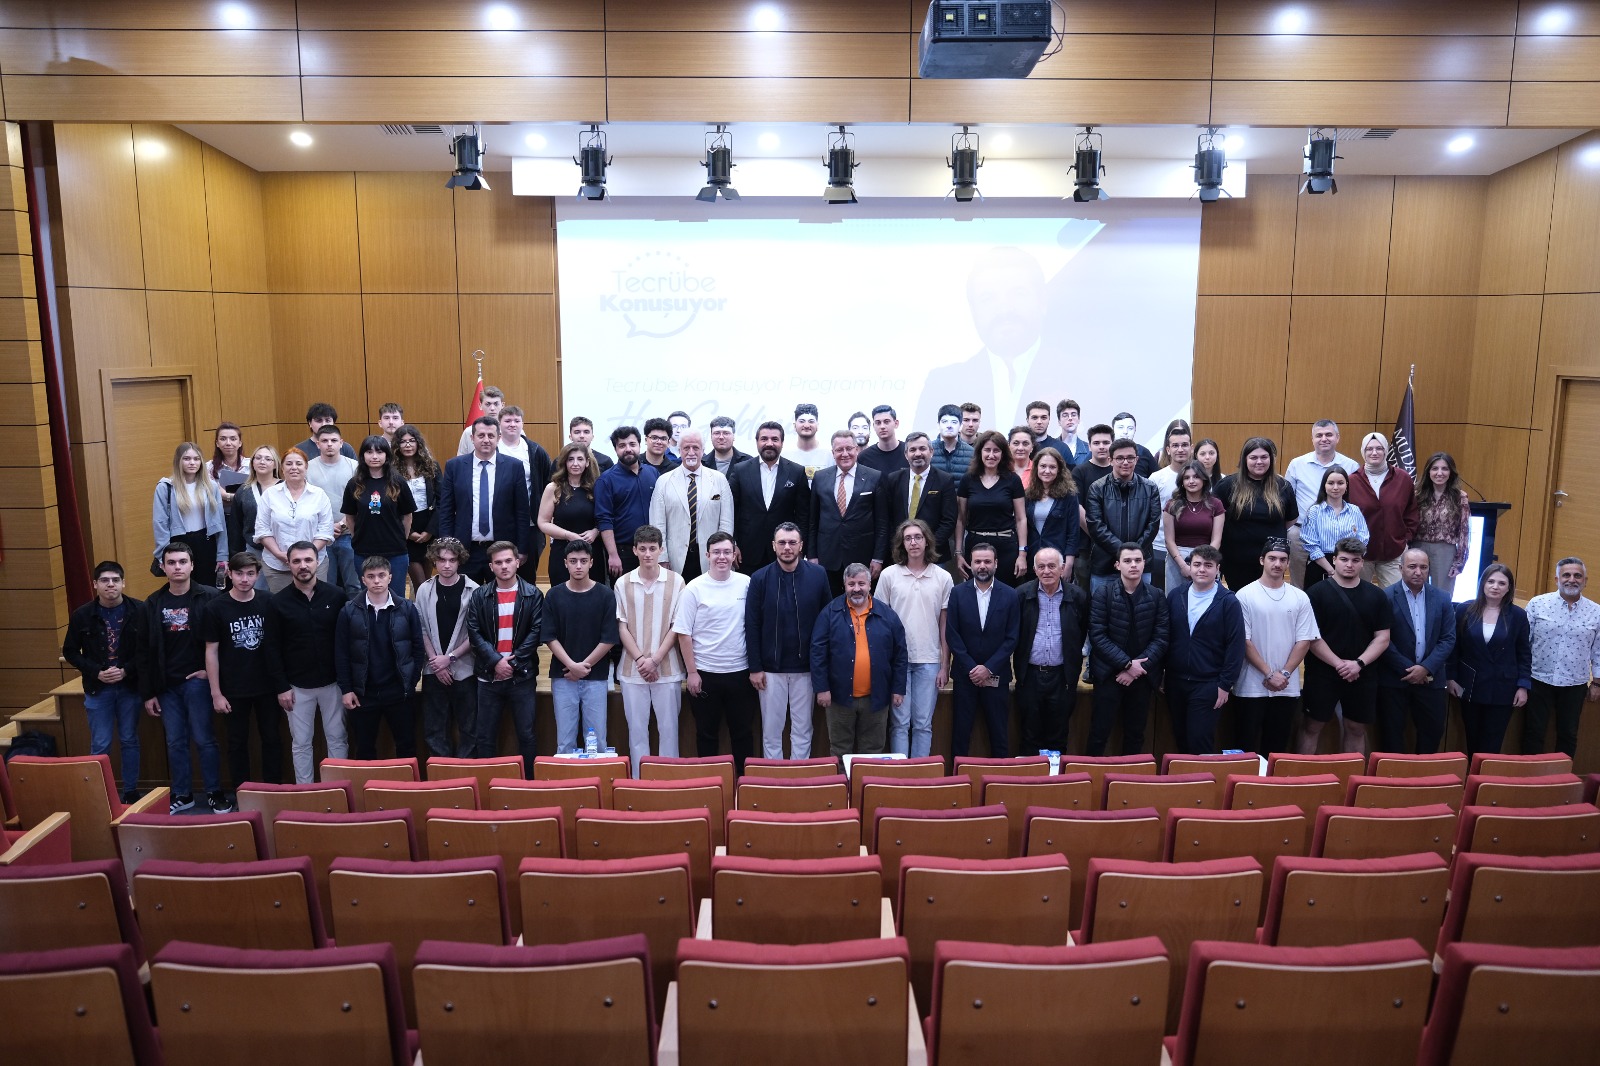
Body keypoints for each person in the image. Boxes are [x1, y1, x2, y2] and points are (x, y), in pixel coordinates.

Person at [141, 541, 226, 813]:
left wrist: (208, 672)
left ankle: (214, 792)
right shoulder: (153, 602)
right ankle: (182, 794)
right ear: (163, 567)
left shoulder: (210, 596)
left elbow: (223, 641)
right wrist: (149, 692)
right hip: (167, 685)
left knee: (204, 739)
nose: (177, 567)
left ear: (192, 565)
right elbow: (145, 650)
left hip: (197, 682)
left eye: (182, 562)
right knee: (175, 741)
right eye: (171, 563)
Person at [63, 560, 148, 802]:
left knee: (129, 739)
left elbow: (147, 649)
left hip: (129, 686)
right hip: (98, 688)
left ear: (123, 583)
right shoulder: (82, 615)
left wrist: (126, 670)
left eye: (115, 580)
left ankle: (130, 791)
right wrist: (96, 672)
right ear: (95, 584)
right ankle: (98, 796)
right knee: (100, 743)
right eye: (104, 580)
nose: (110, 585)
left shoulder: (140, 610)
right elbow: (70, 651)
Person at [673, 532, 758, 772]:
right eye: (717, 552)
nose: (722, 557)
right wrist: (692, 673)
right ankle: (710, 783)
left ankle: (744, 782)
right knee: (706, 734)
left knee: (743, 734)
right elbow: (683, 633)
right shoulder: (694, 588)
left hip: (740, 673)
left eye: (727, 552)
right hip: (705, 674)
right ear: (707, 555)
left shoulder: (746, 583)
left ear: (734, 554)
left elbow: (754, 625)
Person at [265, 541, 348, 784]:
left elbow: (346, 642)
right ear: (289, 565)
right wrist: (281, 686)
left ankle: (338, 790)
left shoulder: (337, 596)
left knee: (338, 739)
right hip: (296, 687)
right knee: (301, 743)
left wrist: (347, 683)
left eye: (308, 560)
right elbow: (272, 648)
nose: (303, 566)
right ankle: (306, 794)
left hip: (333, 684)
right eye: (297, 561)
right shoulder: (277, 603)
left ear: (318, 562)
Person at [746, 523, 832, 760]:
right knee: (771, 732)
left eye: (792, 542)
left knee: (803, 730)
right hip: (770, 671)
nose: (787, 547)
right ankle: (773, 779)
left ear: (801, 545)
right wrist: (755, 667)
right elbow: (752, 625)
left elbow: (827, 623)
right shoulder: (759, 578)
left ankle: (799, 777)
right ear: (774, 546)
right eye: (782, 543)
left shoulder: (818, 575)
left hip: (806, 670)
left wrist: (822, 668)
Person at [1303, 537, 1393, 755]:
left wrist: (1358, 664)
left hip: (1362, 672)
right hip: (1323, 671)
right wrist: (1339, 665)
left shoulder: (1377, 596)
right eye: (1344, 559)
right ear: (1334, 560)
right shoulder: (1315, 593)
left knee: (1356, 728)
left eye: (1355, 560)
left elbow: (1382, 637)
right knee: (1312, 726)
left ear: (1362, 563)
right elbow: (1312, 638)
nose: (1349, 565)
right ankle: (1302, 774)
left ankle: (1351, 775)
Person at [810, 562, 908, 758]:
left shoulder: (887, 615)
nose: (856, 589)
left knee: (872, 752)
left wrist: (898, 688)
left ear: (870, 585)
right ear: (844, 585)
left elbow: (900, 655)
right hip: (839, 698)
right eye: (851, 584)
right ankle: (842, 780)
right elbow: (817, 653)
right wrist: (821, 688)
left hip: (876, 698)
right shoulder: (829, 613)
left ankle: (867, 780)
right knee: (839, 751)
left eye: (861, 583)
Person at [204, 552, 282, 792]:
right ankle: (243, 792)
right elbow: (211, 651)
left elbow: (278, 645)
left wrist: (282, 685)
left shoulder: (269, 601)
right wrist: (216, 693)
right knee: (237, 743)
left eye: (250, 574)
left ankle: (273, 791)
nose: (245, 579)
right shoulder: (215, 607)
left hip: (268, 687)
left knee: (272, 739)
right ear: (229, 574)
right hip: (233, 688)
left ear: (258, 575)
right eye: (239, 573)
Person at [1233, 539, 1319, 757]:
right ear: (1262, 560)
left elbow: (1304, 640)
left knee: (1276, 749)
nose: (1277, 564)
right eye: (1272, 558)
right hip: (1251, 686)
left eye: (1283, 560)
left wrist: (1284, 674)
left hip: (1286, 687)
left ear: (1288, 563)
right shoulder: (1244, 595)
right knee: (1244, 748)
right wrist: (1269, 673)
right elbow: (1244, 640)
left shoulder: (1300, 597)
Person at [876, 519, 952, 758]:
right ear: (902, 544)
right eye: (908, 538)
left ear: (927, 541)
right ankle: (900, 775)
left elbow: (945, 625)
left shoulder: (943, 577)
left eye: (918, 537)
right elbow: (879, 623)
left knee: (923, 724)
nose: (913, 542)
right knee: (899, 723)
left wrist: (945, 665)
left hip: (929, 661)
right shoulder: (889, 575)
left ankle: (920, 774)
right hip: (897, 661)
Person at [335, 556, 422, 760]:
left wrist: (410, 682)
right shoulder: (348, 611)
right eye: (371, 576)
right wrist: (347, 689)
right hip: (363, 692)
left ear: (390, 578)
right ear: (363, 579)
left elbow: (418, 648)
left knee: (406, 747)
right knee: (364, 749)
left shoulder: (407, 608)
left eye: (381, 575)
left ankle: (408, 783)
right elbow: (341, 653)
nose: (376, 581)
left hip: (398, 690)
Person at [465, 540, 543, 767]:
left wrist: (512, 664)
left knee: (527, 735)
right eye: (498, 563)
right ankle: (488, 783)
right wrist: (496, 662)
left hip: (522, 676)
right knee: (485, 737)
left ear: (518, 562)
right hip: (488, 677)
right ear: (491, 567)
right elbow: (474, 632)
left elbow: (537, 632)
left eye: (508, 561)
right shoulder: (479, 595)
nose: (504, 566)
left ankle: (528, 782)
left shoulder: (533, 594)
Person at [615, 525, 686, 773]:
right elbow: (622, 627)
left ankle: (669, 783)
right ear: (634, 550)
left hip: (668, 669)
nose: (647, 554)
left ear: (661, 550)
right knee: (636, 732)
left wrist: (654, 660)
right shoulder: (622, 583)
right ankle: (639, 782)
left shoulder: (677, 582)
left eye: (652, 549)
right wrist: (641, 660)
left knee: (669, 730)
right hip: (632, 670)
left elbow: (677, 627)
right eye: (643, 549)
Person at [1086, 543, 1168, 756]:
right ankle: (1090, 775)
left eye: (1138, 560)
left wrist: (1136, 669)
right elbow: (1097, 635)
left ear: (1144, 564)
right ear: (1117, 565)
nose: (1133, 565)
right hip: (1109, 674)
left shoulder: (1157, 595)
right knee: (1098, 734)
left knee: (1135, 735)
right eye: (1128, 561)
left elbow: (1161, 638)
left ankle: (1129, 777)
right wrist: (1127, 664)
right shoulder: (1103, 594)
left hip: (1142, 676)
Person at [1163, 545, 1244, 754]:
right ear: (1189, 567)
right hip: (1175, 681)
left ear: (1217, 569)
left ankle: (1202, 777)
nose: (1201, 569)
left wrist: (1225, 684)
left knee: (1199, 742)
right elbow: (1165, 637)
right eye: (1197, 564)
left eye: (1208, 565)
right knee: (1180, 739)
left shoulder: (1228, 602)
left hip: (1208, 684)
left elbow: (1236, 646)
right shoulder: (1175, 596)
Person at [1377, 549, 1458, 754]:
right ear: (1400, 568)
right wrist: (1409, 669)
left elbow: (1448, 638)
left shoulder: (1442, 598)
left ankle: (1424, 774)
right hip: (1395, 679)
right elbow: (1382, 640)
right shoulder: (1385, 597)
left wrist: (1425, 668)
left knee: (1432, 733)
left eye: (1423, 567)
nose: (1418, 572)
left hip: (1431, 679)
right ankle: (1393, 774)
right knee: (1391, 736)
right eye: (1412, 566)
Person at [1448, 563, 1531, 758]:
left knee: (1492, 742)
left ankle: (1486, 776)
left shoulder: (1518, 615)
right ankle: (1473, 775)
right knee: (1472, 738)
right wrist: (1450, 677)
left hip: (1502, 687)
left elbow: (1524, 653)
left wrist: (1523, 686)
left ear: (1509, 588)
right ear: (1483, 584)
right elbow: (1454, 647)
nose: (1495, 586)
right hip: (1470, 684)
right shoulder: (1464, 609)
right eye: (1491, 581)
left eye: (1502, 583)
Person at [946, 542, 1021, 757]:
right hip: (965, 675)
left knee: (999, 736)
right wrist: (972, 668)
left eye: (987, 561)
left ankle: (999, 777)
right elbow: (952, 634)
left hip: (996, 676)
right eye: (977, 561)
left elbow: (1012, 638)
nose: (982, 566)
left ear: (996, 564)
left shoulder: (1010, 595)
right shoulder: (957, 593)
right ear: (970, 564)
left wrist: (988, 668)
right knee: (960, 736)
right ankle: (958, 776)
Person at [543, 541, 618, 753]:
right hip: (563, 675)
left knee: (597, 741)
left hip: (596, 676)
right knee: (565, 742)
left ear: (591, 563)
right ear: (565, 563)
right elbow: (549, 636)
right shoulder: (554, 595)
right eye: (573, 561)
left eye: (583, 561)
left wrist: (583, 666)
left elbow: (609, 638)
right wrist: (571, 666)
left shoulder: (605, 595)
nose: (578, 566)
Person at [436, 416, 532, 583]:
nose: (486, 440)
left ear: (499, 438)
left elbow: (522, 511)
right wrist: (446, 546)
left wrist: (522, 548)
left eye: (491, 435)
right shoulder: (454, 466)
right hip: (465, 549)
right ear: (472, 438)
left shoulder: (514, 466)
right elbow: (446, 511)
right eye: (481, 435)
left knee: (500, 596)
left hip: (502, 549)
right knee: (467, 596)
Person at [1523, 557, 1600, 757]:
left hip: (1575, 684)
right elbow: (1523, 643)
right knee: (1533, 733)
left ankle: (1561, 775)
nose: (1572, 579)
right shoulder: (1537, 604)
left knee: (1568, 734)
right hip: (1538, 679)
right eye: (1566, 575)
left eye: (1577, 576)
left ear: (1585, 581)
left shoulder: (1596, 612)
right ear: (1557, 579)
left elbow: (1598, 651)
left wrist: (1597, 683)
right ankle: (1528, 774)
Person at [1013, 546, 1087, 757]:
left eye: (1052, 566)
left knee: (1058, 736)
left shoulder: (1078, 596)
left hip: (1061, 677)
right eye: (1041, 566)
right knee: (1029, 735)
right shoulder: (1021, 594)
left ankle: (1055, 778)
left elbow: (1080, 633)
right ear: (1034, 570)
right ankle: (1029, 777)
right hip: (1030, 676)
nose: (1046, 571)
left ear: (1062, 568)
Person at [414, 537, 478, 760]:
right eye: (442, 560)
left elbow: (476, 633)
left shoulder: (474, 590)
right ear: (434, 561)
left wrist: (449, 658)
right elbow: (421, 627)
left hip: (465, 668)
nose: (447, 565)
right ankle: (441, 775)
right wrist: (436, 661)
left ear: (460, 561)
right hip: (433, 669)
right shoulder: (424, 589)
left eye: (452, 560)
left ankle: (467, 774)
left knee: (469, 729)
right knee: (434, 730)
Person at [808, 430, 889, 597]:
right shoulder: (820, 477)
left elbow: (882, 523)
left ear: (856, 450)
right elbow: (813, 521)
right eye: (839, 450)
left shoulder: (874, 477)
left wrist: (878, 558)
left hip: (863, 558)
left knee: (862, 605)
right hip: (827, 558)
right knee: (830, 605)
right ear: (833, 453)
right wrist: (812, 555)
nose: (845, 454)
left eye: (849, 449)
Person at [649, 430, 734, 582]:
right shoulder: (664, 481)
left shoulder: (719, 479)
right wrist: (662, 557)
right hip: (675, 558)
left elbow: (726, 522)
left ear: (703, 450)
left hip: (711, 556)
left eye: (695, 448)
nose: (691, 452)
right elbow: (657, 524)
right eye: (686, 448)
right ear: (679, 450)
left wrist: (723, 553)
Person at [1216, 437, 1298, 593]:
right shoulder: (1227, 485)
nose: (1259, 461)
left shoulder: (1283, 486)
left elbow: (1291, 518)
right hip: (1236, 561)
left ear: (1271, 459)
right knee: (1240, 600)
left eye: (1264, 457)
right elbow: (1215, 519)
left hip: (1272, 561)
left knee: (1271, 599)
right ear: (1244, 459)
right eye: (1253, 457)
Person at [727, 421, 810, 575]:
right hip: (747, 552)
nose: (769, 443)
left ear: (782, 443)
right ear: (757, 442)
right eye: (764, 439)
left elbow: (803, 515)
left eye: (775, 439)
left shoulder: (796, 472)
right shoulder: (740, 470)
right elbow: (730, 510)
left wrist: (800, 548)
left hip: (784, 552)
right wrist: (733, 543)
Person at [1284, 420, 1359, 587]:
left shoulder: (1351, 466)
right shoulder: (1297, 464)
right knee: (1299, 583)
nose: (1324, 439)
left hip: (1338, 533)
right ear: (1312, 439)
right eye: (1319, 435)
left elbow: (1353, 499)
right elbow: (1287, 499)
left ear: (1337, 437)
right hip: (1301, 533)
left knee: (1336, 582)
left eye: (1329, 435)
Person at [1084, 439, 1160, 595]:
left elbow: (1153, 525)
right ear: (1110, 460)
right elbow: (1096, 526)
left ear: (1136, 460)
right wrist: (1125, 553)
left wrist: (1133, 556)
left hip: (1140, 563)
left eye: (1130, 458)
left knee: (1142, 607)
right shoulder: (1097, 488)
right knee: (1102, 607)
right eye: (1119, 458)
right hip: (1105, 565)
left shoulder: (1150, 488)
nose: (1125, 462)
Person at [341, 435, 416, 593]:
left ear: (387, 455)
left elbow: (407, 516)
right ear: (363, 456)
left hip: (395, 551)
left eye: (379, 452)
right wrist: (357, 538)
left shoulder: (398, 482)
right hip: (364, 551)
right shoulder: (354, 484)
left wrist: (401, 539)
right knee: (369, 596)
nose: (374, 456)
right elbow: (350, 517)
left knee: (396, 597)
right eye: (369, 452)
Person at [254, 448, 335, 593]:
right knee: (282, 604)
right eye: (289, 464)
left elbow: (325, 531)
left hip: (314, 565)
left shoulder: (319, 495)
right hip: (277, 565)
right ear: (282, 468)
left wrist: (306, 556)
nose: (294, 467)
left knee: (315, 602)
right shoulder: (270, 495)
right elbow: (262, 529)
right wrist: (279, 554)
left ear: (306, 467)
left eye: (298, 463)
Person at [954, 429, 1028, 587]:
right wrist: (958, 553)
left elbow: (1021, 519)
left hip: (1006, 546)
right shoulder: (968, 479)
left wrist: (1022, 553)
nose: (991, 455)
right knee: (976, 593)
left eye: (996, 451)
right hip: (975, 546)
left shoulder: (1013, 480)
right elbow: (960, 519)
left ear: (1003, 454)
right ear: (979, 452)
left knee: (1007, 593)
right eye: (987, 450)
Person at [1346, 432, 1419, 588]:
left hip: (1394, 552)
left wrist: (1406, 538)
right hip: (1360, 553)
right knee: (1358, 596)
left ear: (1386, 450)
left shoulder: (1403, 478)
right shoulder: (1351, 481)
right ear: (1363, 452)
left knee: (1396, 597)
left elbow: (1411, 512)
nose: (1374, 452)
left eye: (1379, 448)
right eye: (1369, 449)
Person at [152, 441, 228, 582]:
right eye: (187, 459)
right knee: (182, 587)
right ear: (178, 461)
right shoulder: (166, 487)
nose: (192, 463)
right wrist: (163, 555)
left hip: (206, 543)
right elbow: (160, 524)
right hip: (179, 543)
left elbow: (220, 523)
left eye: (196, 459)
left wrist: (223, 556)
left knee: (208, 588)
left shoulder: (211, 486)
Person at [496, 406, 553, 579]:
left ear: (522, 424)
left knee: (527, 574)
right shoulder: (492, 449)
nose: (512, 424)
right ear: (499, 424)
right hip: (499, 523)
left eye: (516, 420)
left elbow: (548, 482)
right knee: (501, 572)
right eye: (507, 421)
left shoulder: (535, 451)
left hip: (530, 523)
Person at [595, 425, 660, 579]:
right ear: (615, 449)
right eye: (622, 445)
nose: (628, 449)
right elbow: (604, 519)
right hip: (623, 553)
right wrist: (613, 555)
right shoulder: (606, 480)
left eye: (632, 444)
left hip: (652, 550)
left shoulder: (653, 473)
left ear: (639, 445)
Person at [885, 432, 958, 563]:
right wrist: (900, 544)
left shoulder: (945, 480)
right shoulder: (893, 479)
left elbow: (949, 521)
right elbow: (888, 518)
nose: (918, 453)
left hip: (934, 554)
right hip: (901, 553)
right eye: (912, 450)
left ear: (931, 451)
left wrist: (927, 546)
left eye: (922, 448)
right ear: (906, 454)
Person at [305, 424, 360, 595]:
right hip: (319, 537)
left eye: (334, 440)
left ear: (341, 443)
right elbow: (305, 502)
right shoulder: (307, 468)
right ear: (317, 444)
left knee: (354, 586)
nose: (329, 444)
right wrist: (327, 527)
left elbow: (359, 500)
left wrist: (343, 524)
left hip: (349, 535)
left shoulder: (354, 467)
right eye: (325, 441)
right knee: (325, 587)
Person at [537, 443, 600, 587]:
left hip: (591, 551)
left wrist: (596, 531)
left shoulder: (597, 487)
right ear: (564, 462)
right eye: (570, 459)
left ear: (587, 462)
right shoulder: (553, 488)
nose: (575, 463)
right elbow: (543, 522)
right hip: (562, 551)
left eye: (580, 459)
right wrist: (568, 535)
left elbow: (606, 518)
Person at [1299, 466, 1369, 590]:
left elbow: (1362, 541)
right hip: (1320, 565)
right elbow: (1311, 545)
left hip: (1349, 566)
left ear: (1346, 486)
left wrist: (1348, 565)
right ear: (1324, 486)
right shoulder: (1314, 511)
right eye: (1331, 483)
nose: (1335, 487)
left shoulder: (1355, 511)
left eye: (1340, 483)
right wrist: (1332, 570)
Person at [1161, 460, 1225, 591]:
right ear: (1181, 482)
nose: (1191, 481)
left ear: (1204, 479)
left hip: (1207, 558)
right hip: (1177, 560)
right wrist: (1183, 566)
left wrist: (1202, 563)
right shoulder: (1172, 505)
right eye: (1186, 478)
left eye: (1196, 477)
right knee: (1176, 600)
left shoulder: (1216, 504)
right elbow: (1169, 541)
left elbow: (1216, 540)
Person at [1412, 452, 1471, 592]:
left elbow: (1464, 530)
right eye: (1435, 469)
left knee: (1442, 594)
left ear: (1451, 472)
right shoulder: (1417, 495)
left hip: (1445, 550)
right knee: (1415, 591)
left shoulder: (1459, 497)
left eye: (1444, 469)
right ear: (1428, 472)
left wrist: (1460, 561)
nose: (1439, 473)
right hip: (1418, 547)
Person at [395, 425, 442, 594]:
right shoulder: (392, 470)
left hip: (429, 527)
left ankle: (422, 609)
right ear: (397, 445)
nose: (408, 445)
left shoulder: (431, 466)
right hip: (405, 529)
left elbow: (441, 500)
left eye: (412, 441)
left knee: (427, 582)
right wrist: (409, 532)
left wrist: (430, 531)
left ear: (418, 443)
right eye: (403, 441)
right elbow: (392, 505)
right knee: (421, 584)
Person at [1146, 424, 1192, 589]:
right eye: (1175, 445)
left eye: (1184, 445)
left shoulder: (1200, 478)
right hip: (1160, 547)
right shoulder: (1156, 478)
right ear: (1168, 449)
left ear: (1191, 448)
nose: (1180, 449)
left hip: (1192, 549)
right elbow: (1149, 515)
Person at [1023, 447, 1078, 582]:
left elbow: (1073, 532)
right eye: (1043, 466)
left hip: (1058, 560)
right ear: (1036, 468)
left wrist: (1069, 563)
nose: (1047, 471)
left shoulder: (1069, 496)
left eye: (1052, 467)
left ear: (1059, 470)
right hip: (1032, 558)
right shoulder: (1028, 494)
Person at [781, 402, 830, 481]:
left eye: (811, 421)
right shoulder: (784, 455)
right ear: (794, 426)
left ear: (817, 426)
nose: (806, 425)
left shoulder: (829, 454)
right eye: (802, 421)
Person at [931, 404, 975, 488]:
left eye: (954, 422)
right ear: (938, 425)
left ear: (961, 426)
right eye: (944, 422)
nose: (949, 426)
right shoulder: (927, 450)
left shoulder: (972, 453)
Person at [211, 422, 248, 522]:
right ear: (217, 443)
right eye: (223, 439)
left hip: (248, 517)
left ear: (240, 443)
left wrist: (226, 496)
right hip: (220, 518)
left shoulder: (252, 465)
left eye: (233, 439)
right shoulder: (208, 468)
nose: (228, 443)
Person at [856, 404, 908, 474]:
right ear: (874, 426)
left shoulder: (909, 452)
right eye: (878, 423)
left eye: (886, 422)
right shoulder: (864, 457)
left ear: (896, 423)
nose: (882, 426)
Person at [1071, 423, 1115, 501]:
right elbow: (1077, 504)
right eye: (1096, 443)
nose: (1101, 447)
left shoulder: (1118, 469)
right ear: (1089, 446)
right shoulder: (1079, 472)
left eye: (1106, 443)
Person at [456, 387, 505, 455]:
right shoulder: (469, 432)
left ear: (502, 405)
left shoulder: (511, 432)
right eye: (488, 404)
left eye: (496, 404)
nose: (492, 408)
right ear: (480, 405)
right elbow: (461, 458)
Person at [1109, 412, 1157, 477]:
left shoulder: (1143, 452)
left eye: (1130, 428)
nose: (1125, 432)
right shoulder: (1105, 452)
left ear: (1135, 430)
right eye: (1120, 427)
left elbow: (1157, 477)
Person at [1054, 399, 1090, 468]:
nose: (1070, 418)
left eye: (1073, 415)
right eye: (1065, 415)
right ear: (1059, 421)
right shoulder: (1051, 448)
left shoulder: (1088, 450)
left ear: (1079, 419)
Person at [1007, 425, 1035, 490]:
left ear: (1032, 447)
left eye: (1025, 444)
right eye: (1016, 443)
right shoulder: (1001, 469)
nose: (1020, 448)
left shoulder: (1038, 470)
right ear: (1009, 446)